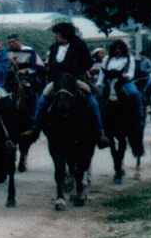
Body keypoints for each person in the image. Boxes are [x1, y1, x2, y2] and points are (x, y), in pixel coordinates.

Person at [26, 20, 108, 148]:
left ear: (64, 34)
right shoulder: (54, 48)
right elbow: (52, 65)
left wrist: (74, 72)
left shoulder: (79, 45)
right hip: (58, 81)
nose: (55, 36)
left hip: (76, 79)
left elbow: (88, 63)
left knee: (93, 100)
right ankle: (34, 129)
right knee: (42, 98)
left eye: (57, 34)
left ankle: (100, 132)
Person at [99, 38, 143, 118]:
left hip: (124, 81)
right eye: (115, 48)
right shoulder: (107, 59)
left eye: (119, 48)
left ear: (123, 49)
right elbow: (102, 72)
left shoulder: (129, 59)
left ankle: (139, 116)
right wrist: (99, 83)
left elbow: (131, 72)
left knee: (134, 93)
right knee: (99, 96)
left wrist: (125, 76)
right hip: (109, 81)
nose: (117, 50)